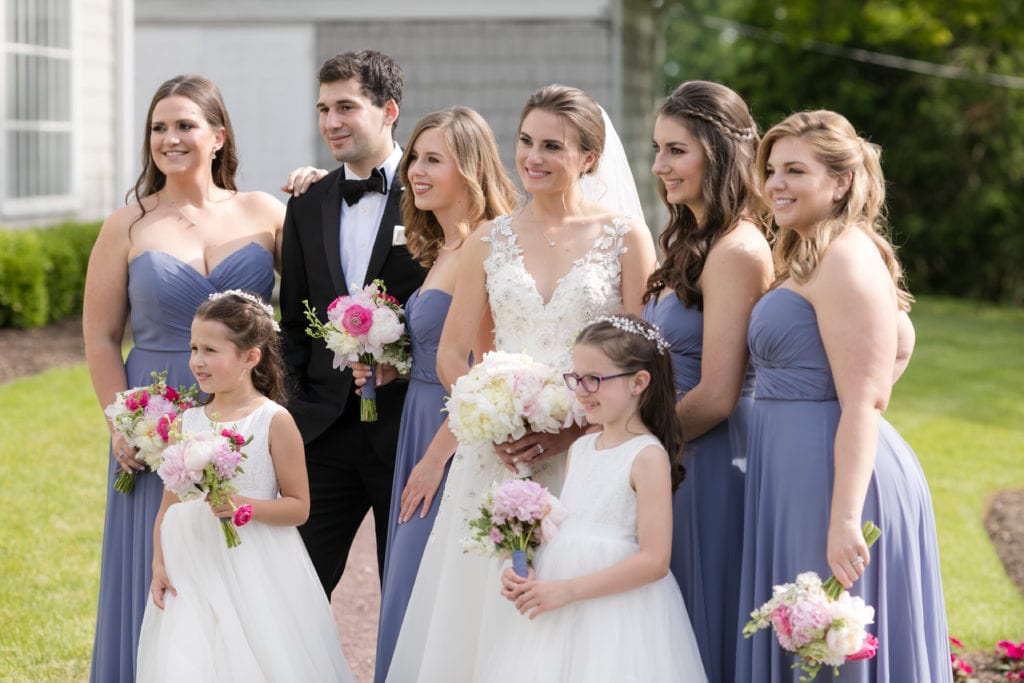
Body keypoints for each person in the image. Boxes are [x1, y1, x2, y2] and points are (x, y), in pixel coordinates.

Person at [387, 83, 657, 682]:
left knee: (564, 609)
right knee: (480, 608)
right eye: (526, 141)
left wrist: (570, 428)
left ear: (589, 157)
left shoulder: (625, 238)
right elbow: (453, 356)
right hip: (498, 453)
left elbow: (641, 359)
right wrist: (499, 410)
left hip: (586, 450)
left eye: (552, 146)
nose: (533, 157)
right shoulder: (492, 238)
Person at [736, 110, 951, 681]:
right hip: (795, 472)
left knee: (825, 646)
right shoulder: (811, 253)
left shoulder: (847, 260)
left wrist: (844, 518)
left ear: (841, 181)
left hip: (832, 483)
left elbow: (864, 401)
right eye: (772, 169)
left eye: (795, 171)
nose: (776, 183)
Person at [83, 74, 281, 682]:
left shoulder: (268, 213)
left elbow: (310, 311)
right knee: (158, 557)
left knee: (233, 556)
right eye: (159, 128)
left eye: (185, 125)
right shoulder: (127, 224)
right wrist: (122, 423)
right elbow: (98, 335)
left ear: (218, 136)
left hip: (242, 413)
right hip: (155, 417)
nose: (170, 138)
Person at [364, 107, 519, 682]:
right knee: (412, 583)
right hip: (422, 417)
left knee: (429, 583)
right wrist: (396, 369)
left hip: (454, 439)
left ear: (472, 168)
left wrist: (435, 459)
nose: (416, 172)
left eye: (434, 160)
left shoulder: (487, 244)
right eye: (414, 159)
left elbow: (489, 371)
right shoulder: (448, 247)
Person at [136, 291, 354, 681]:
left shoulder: (273, 420)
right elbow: (169, 505)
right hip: (194, 566)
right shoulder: (187, 422)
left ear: (251, 357)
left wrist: (244, 506)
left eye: (211, 350)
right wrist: (159, 562)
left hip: (255, 566)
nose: (198, 361)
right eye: (194, 348)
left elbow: (298, 506)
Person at [481, 315, 706, 682]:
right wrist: (518, 565)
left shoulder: (647, 456)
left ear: (638, 382)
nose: (581, 390)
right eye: (575, 378)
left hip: (616, 613)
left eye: (594, 379)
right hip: (557, 602)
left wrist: (568, 590)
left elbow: (654, 560)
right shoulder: (581, 448)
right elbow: (562, 528)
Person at [278, 49, 427, 596]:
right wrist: (295, 413)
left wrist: (401, 364)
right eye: (322, 109)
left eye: (345, 106)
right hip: (323, 433)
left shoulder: (435, 192)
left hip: (409, 429)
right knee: (293, 591)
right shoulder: (307, 202)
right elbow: (291, 322)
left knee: (408, 594)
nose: (331, 122)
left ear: (388, 110)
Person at [643, 80, 772, 683]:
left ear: (717, 153)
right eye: (657, 149)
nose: (659, 166)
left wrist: (635, 448)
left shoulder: (736, 251)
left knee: (699, 626)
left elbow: (719, 394)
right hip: (674, 457)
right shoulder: (694, 242)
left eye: (676, 151)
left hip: (706, 464)